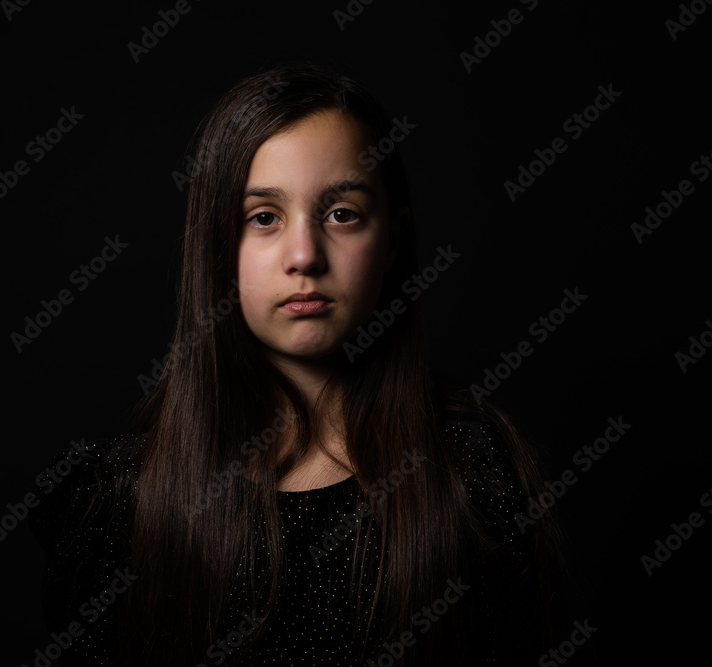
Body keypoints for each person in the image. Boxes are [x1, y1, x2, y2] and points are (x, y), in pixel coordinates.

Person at [30, 62, 571, 666]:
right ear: (214, 246)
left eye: (342, 213)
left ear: (393, 238)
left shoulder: (473, 473)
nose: (304, 255)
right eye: (263, 217)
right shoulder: (119, 501)